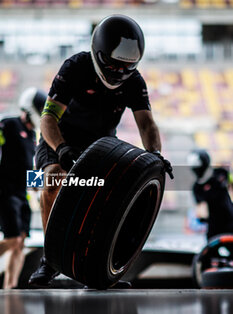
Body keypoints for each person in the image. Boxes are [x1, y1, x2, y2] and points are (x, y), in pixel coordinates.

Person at [28, 14, 173, 288]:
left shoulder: (134, 82)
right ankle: (50, 261)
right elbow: (48, 118)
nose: (118, 72)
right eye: (113, 65)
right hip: (61, 138)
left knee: (108, 199)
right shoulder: (74, 67)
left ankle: (97, 263)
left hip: (100, 144)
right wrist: (62, 149)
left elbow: (146, 123)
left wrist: (155, 154)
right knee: (53, 180)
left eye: (125, 67)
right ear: (98, 54)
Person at [0, 87, 46, 289]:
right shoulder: (9, 124)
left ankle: (10, 287)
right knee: (12, 239)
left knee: (20, 243)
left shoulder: (32, 135)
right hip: (6, 191)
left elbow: (33, 164)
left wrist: (37, 190)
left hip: (21, 194)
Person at [188, 149, 233, 241]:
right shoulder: (197, 188)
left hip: (229, 222)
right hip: (214, 227)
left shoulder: (221, 173)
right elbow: (201, 213)